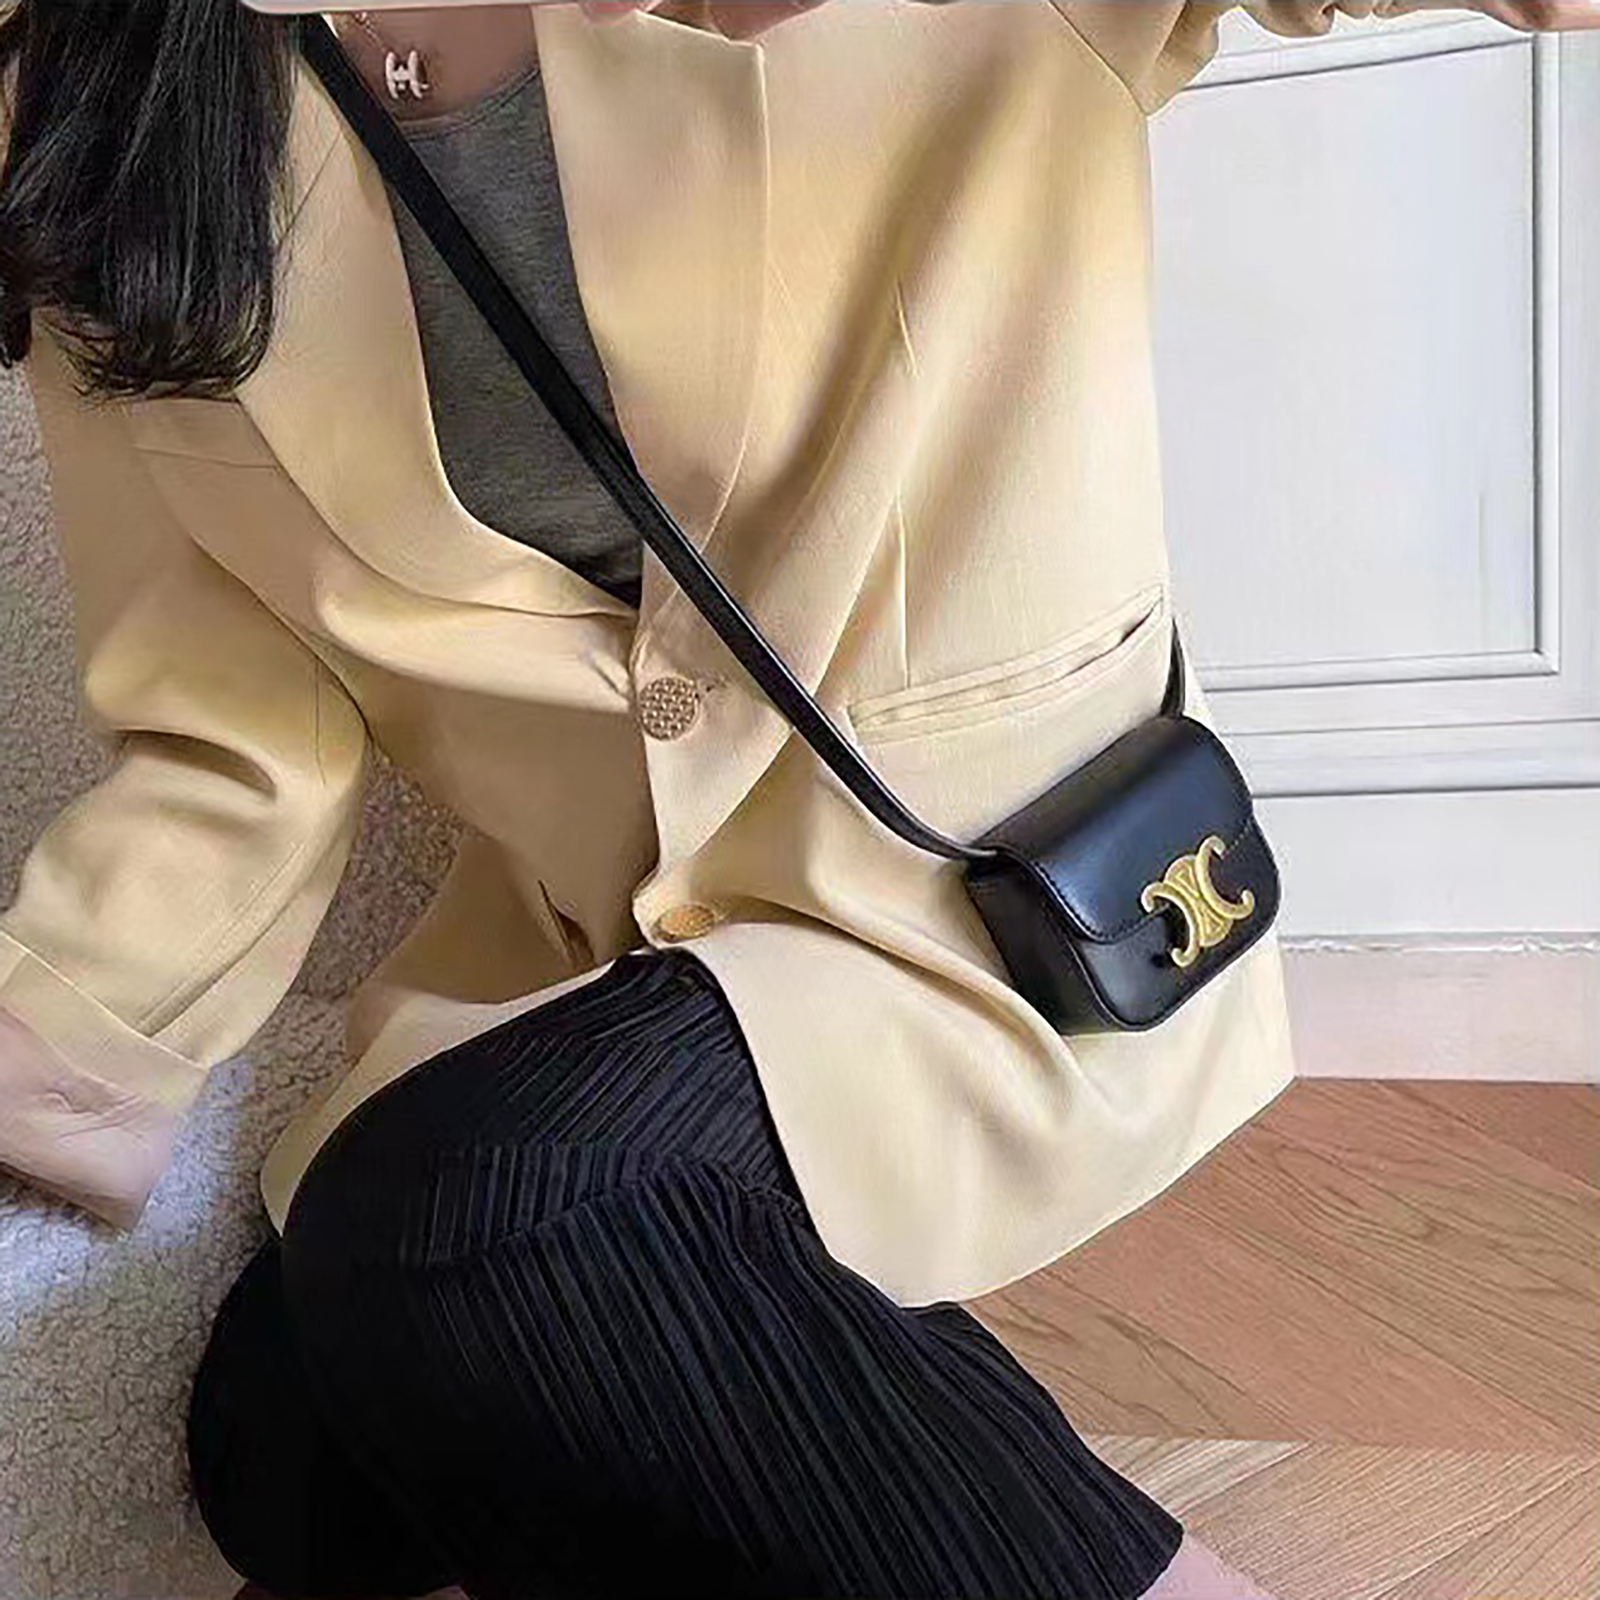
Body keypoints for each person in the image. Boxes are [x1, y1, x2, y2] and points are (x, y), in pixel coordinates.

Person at [1, 3, 1592, 1596]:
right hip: (597, 944)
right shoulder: (102, 88)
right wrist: (64, 1048)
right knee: (294, 1474)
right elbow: (233, 713)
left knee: (461, 1222)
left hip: (983, 900)